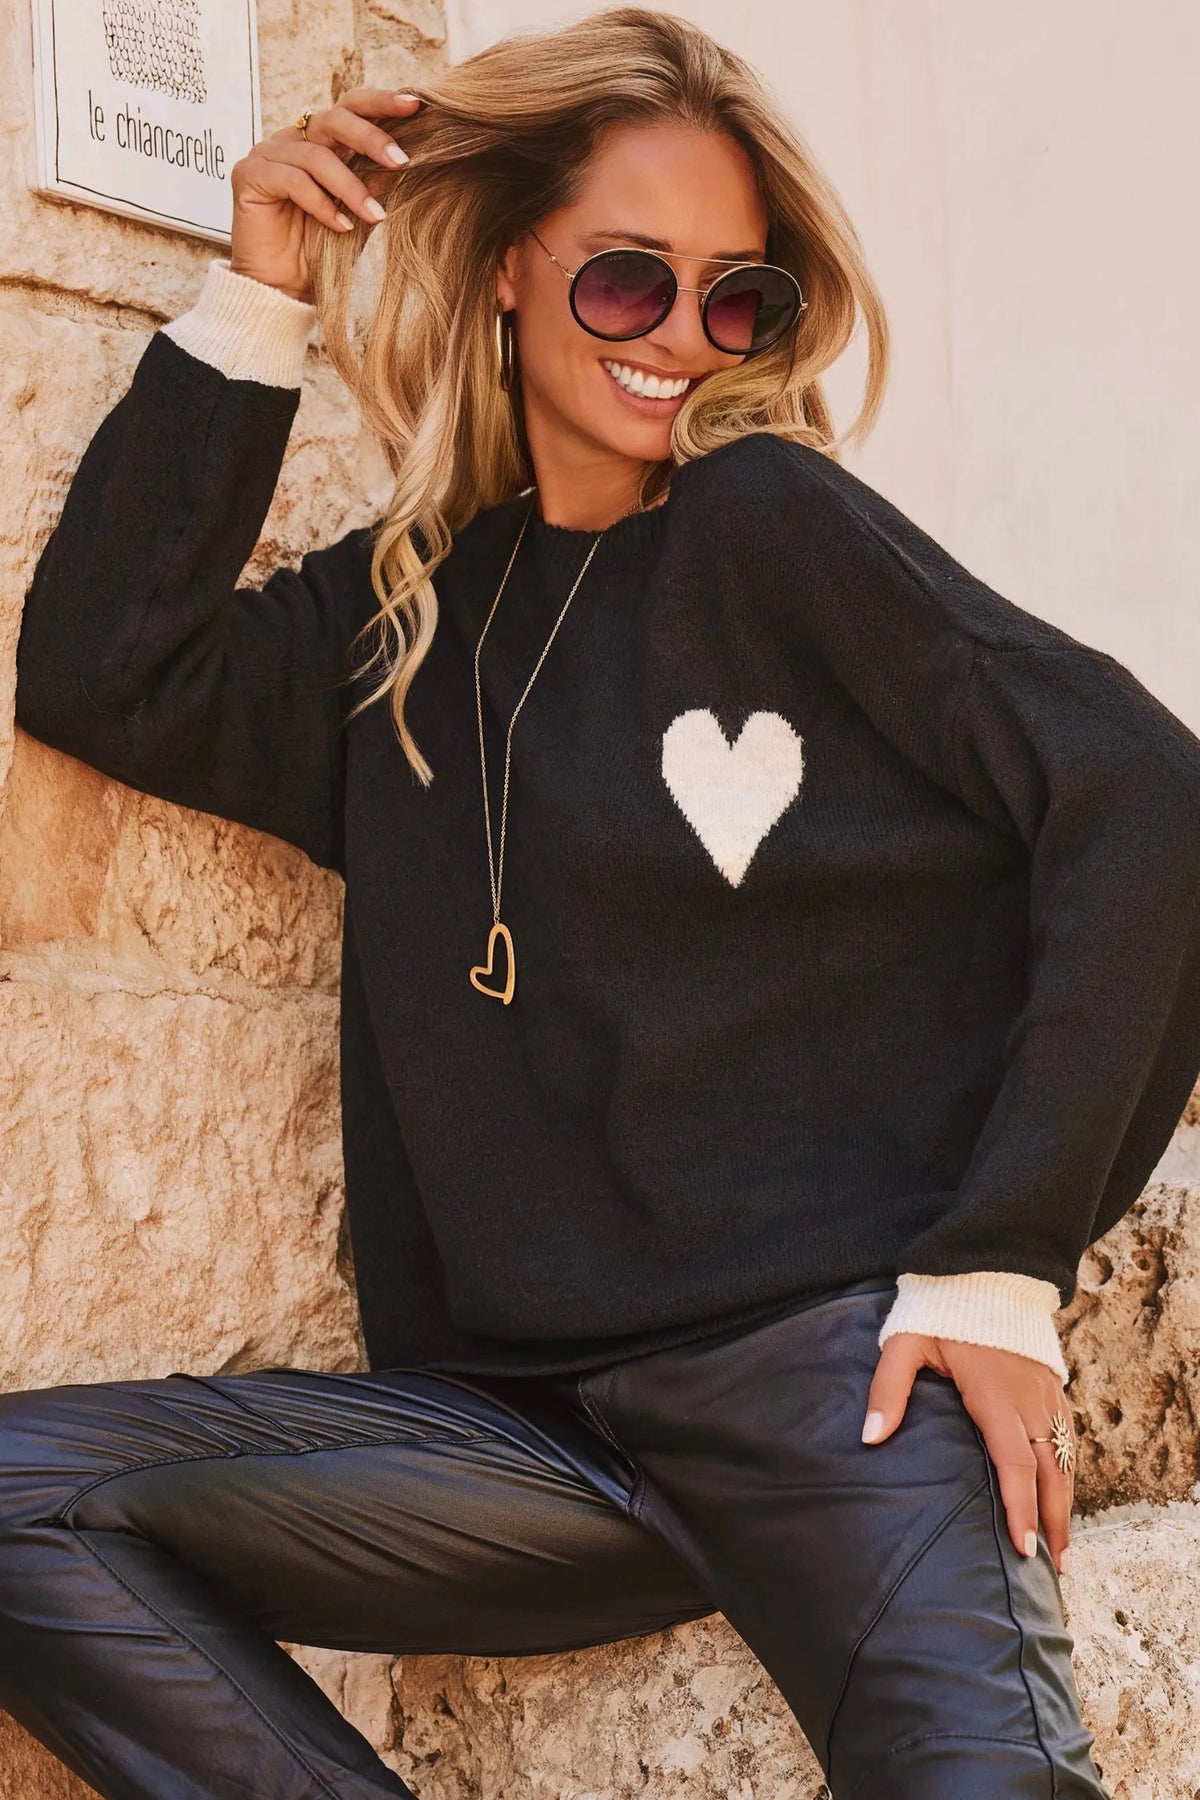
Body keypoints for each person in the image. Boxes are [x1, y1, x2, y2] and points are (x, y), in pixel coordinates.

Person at [4, 6, 1199, 1795]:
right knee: (23, 1502)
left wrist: (1002, 1263)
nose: (681, 342)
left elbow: (1144, 792)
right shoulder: (408, 613)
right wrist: (258, 295)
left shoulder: (769, 522)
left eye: (737, 300)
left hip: (829, 1396)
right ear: (507, 269)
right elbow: (106, 672)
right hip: (526, 1434)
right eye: (629, 281)